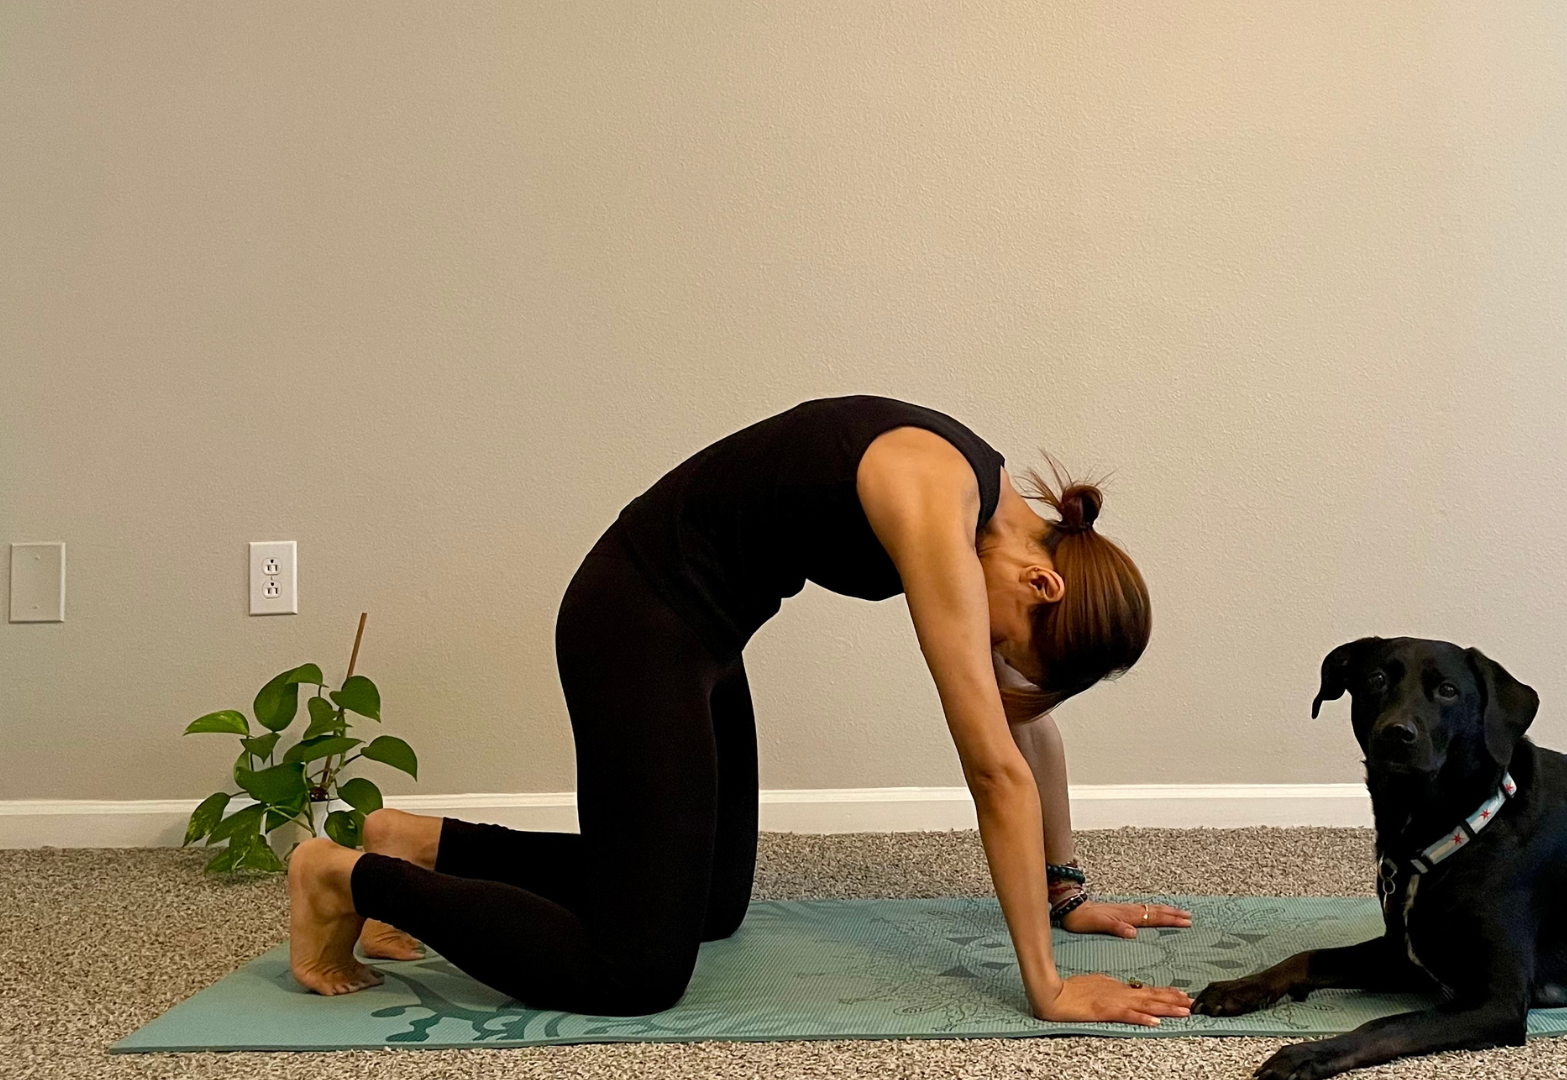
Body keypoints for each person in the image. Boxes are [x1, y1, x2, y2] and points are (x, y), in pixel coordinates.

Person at [285, 395, 1192, 1026]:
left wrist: (1064, 893)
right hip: (633, 622)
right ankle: (346, 877)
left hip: (705, 637)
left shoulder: (996, 513)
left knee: (711, 904)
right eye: (1011, 649)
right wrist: (1047, 987)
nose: (998, 662)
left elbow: (1026, 726)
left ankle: (416, 841)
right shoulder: (936, 499)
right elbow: (994, 765)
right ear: (1044, 583)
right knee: (634, 973)